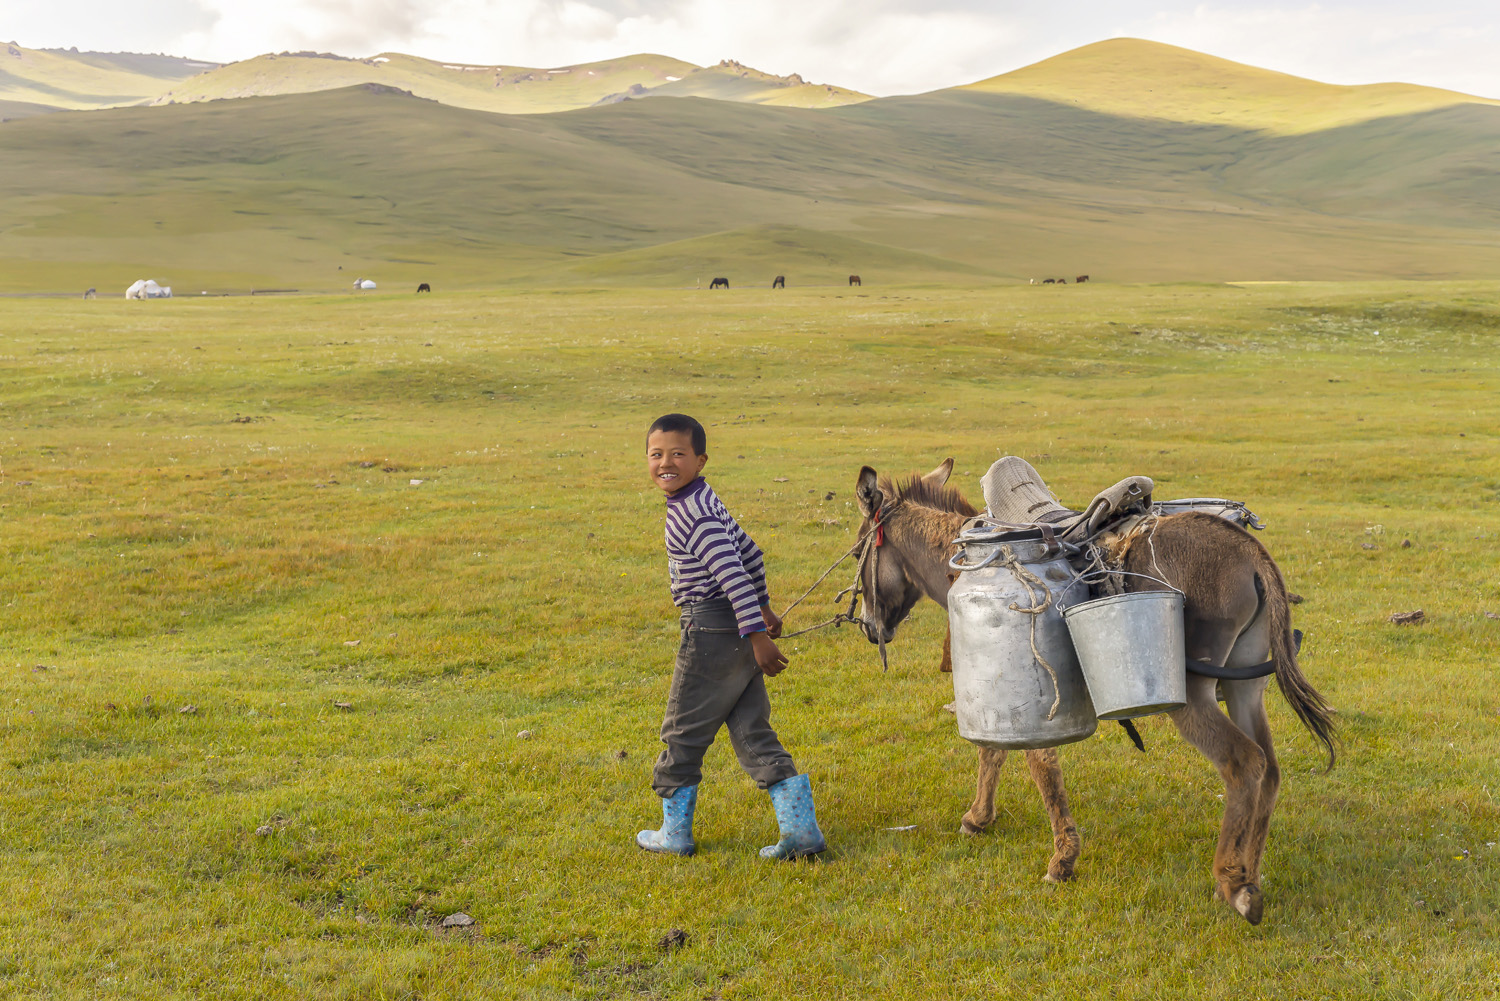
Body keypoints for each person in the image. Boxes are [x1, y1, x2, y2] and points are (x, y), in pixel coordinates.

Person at [636, 413, 827, 860]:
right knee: (750, 729)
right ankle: (801, 834)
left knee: (683, 731)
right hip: (737, 626)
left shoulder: (691, 513)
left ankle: (675, 835)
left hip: (710, 631)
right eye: (656, 454)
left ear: (700, 460)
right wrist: (760, 607)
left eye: (678, 454)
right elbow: (749, 553)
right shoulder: (704, 498)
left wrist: (757, 631)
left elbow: (731, 572)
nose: (666, 462)